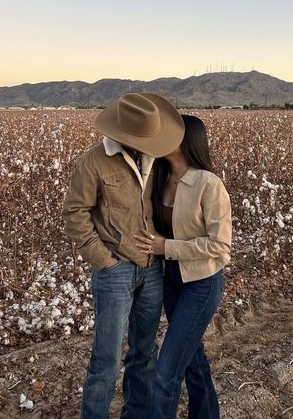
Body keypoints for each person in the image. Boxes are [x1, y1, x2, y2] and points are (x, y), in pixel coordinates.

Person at [62, 93, 185, 419]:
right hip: (114, 270)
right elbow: (74, 214)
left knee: (144, 354)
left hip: (152, 268)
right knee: (107, 360)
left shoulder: (157, 159)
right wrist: (102, 259)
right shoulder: (93, 162)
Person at [135, 114, 232, 419]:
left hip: (201, 283)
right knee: (191, 360)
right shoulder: (159, 178)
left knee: (166, 370)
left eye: (170, 135)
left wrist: (167, 247)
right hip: (172, 280)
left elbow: (220, 246)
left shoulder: (208, 184)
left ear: (186, 141)